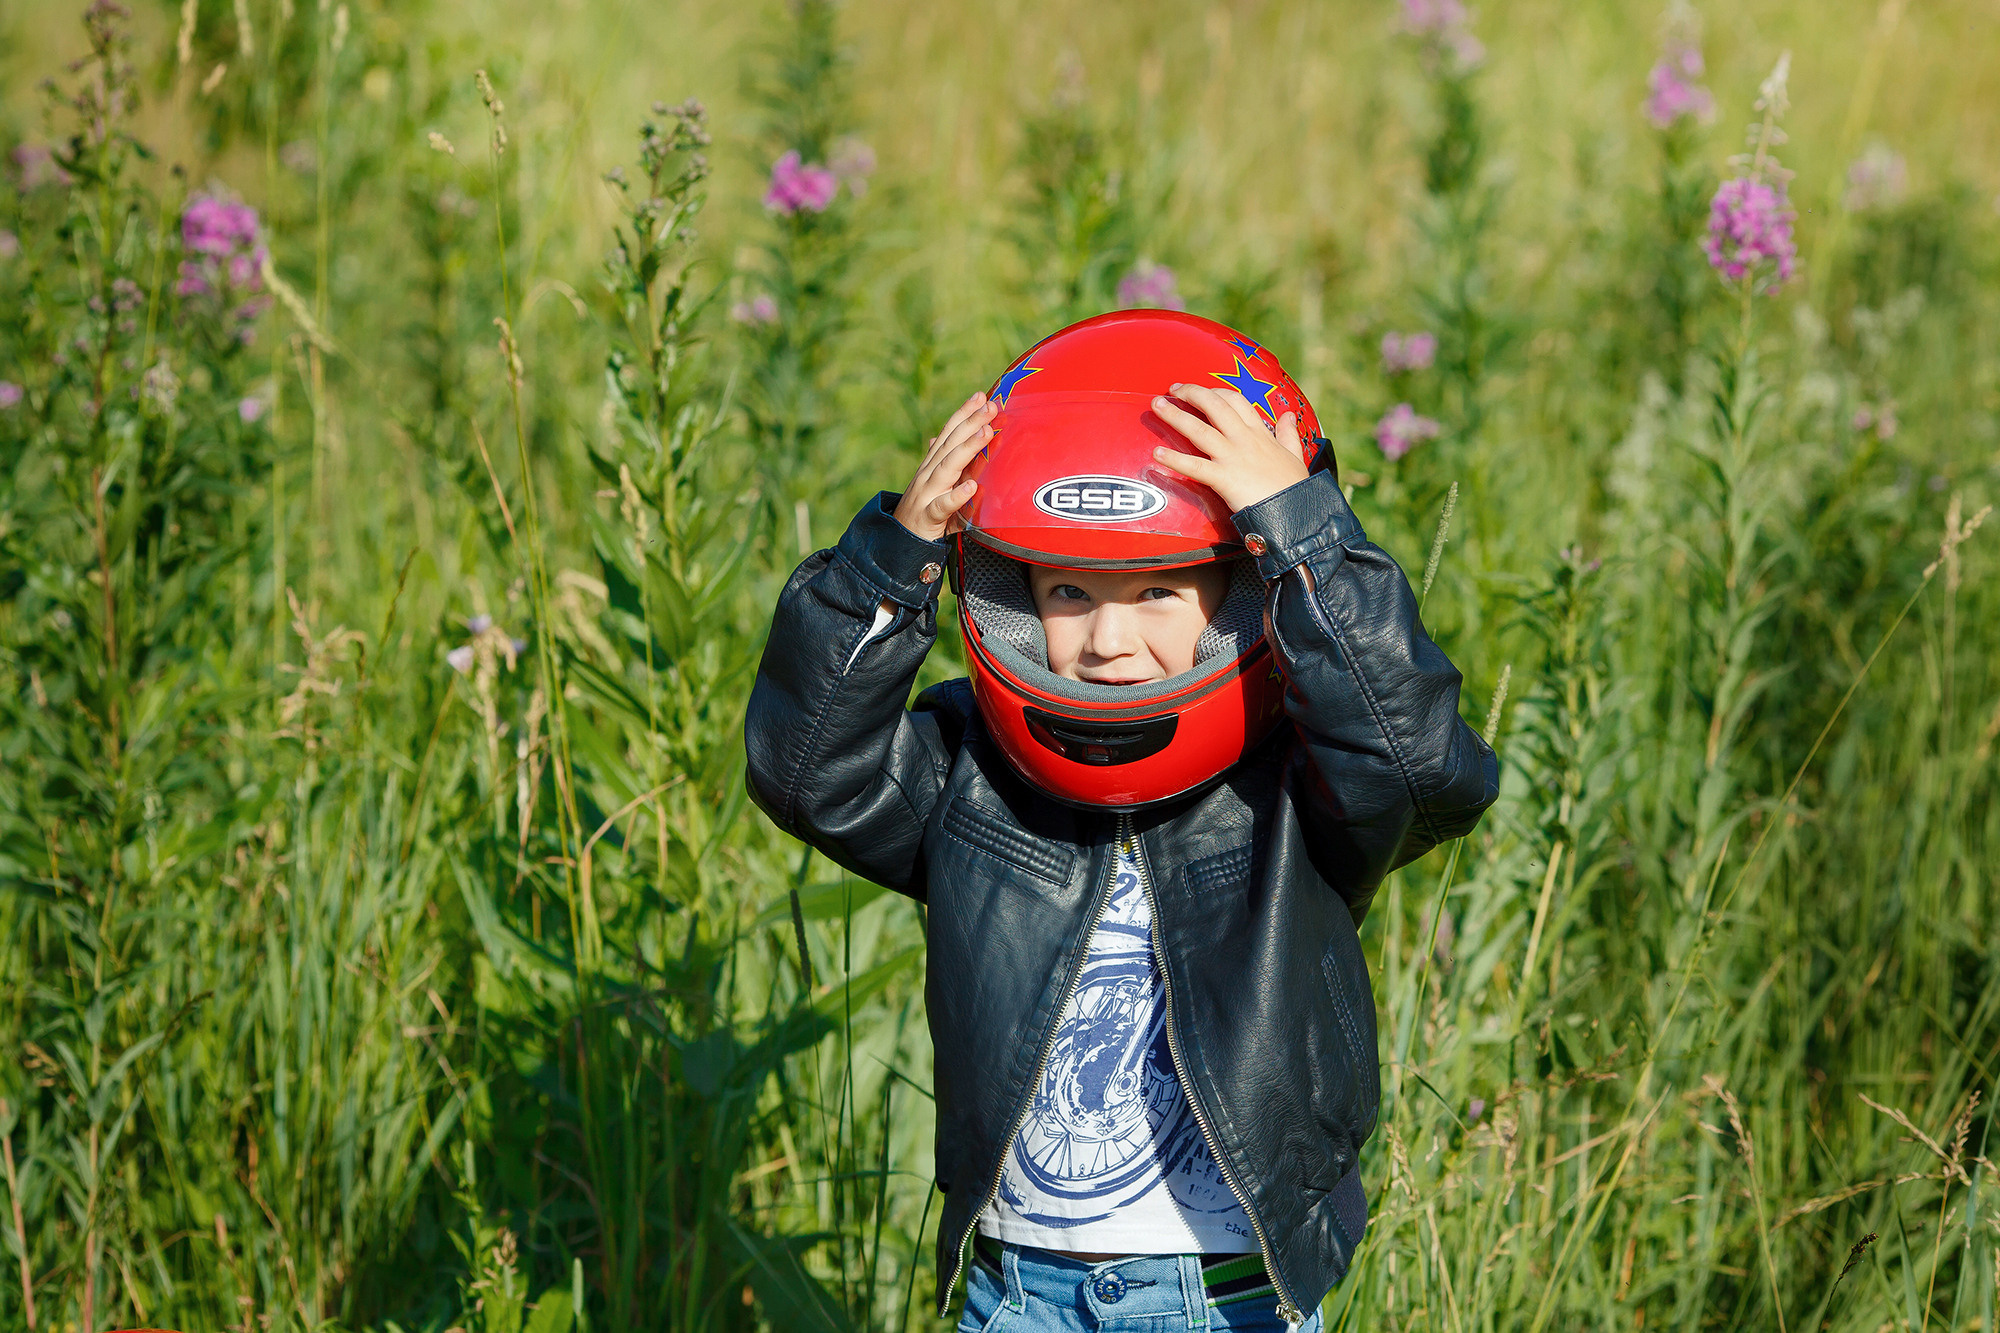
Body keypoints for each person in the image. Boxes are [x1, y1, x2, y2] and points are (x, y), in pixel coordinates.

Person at [745, 310, 1497, 1331]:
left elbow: (1422, 762)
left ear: (1241, 595)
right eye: (1065, 590)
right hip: (1014, 1289)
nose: (1106, 641)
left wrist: (1301, 533)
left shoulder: (1296, 788)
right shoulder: (975, 772)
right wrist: (892, 562)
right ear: (1004, 588)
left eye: (1157, 589)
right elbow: (804, 769)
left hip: (1221, 1294)